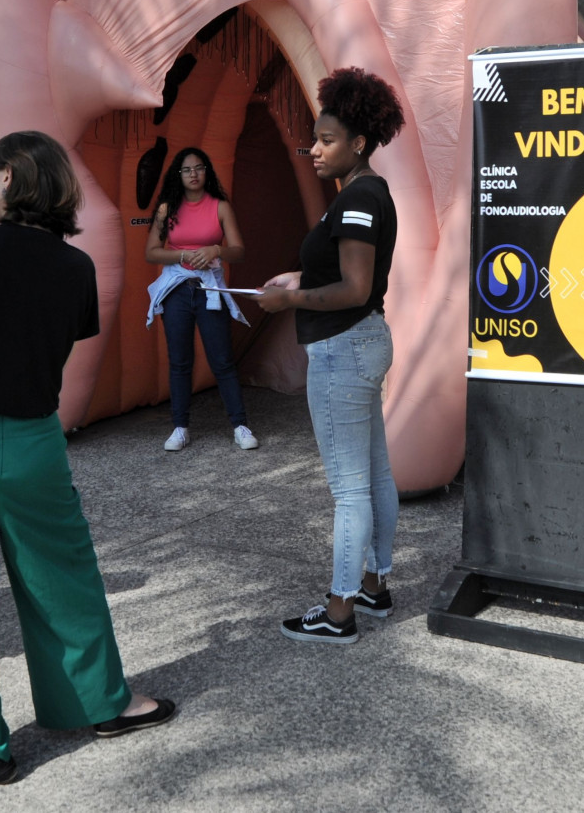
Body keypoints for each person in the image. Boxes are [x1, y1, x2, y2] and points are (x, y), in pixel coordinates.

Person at [0, 131, 173, 783]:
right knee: (64, 579)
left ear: (8, 179)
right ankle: (100, 704)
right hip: (31, 441)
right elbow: (52, 346)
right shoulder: (76, 267)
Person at [258, 67, 405, 645]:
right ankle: (373, 586)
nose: (314, 150)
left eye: (326, 140)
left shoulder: (360, 197)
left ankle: (339, 611)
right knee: (375, 474)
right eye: (313, 140)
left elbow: (355, 288)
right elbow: (345, 274)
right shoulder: (362, 194)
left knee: (350, 488)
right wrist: (300, 276)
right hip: (360, 342)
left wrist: (289, 299)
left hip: (345, 347)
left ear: (359, 143)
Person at [142, 146, 257, 452]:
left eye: (199, 168)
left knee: (222, 359)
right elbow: (150, 251)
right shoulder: (167, 208)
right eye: (187, 170)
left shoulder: (220, 206)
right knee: (180, 362)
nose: (193, 174)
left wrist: (216, 250)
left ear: (207, 172)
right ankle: (180, 428)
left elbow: (240, 250)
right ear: (178, 175)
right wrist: (182, 254)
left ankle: (240, 426)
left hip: (210, 290)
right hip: (177, 289)